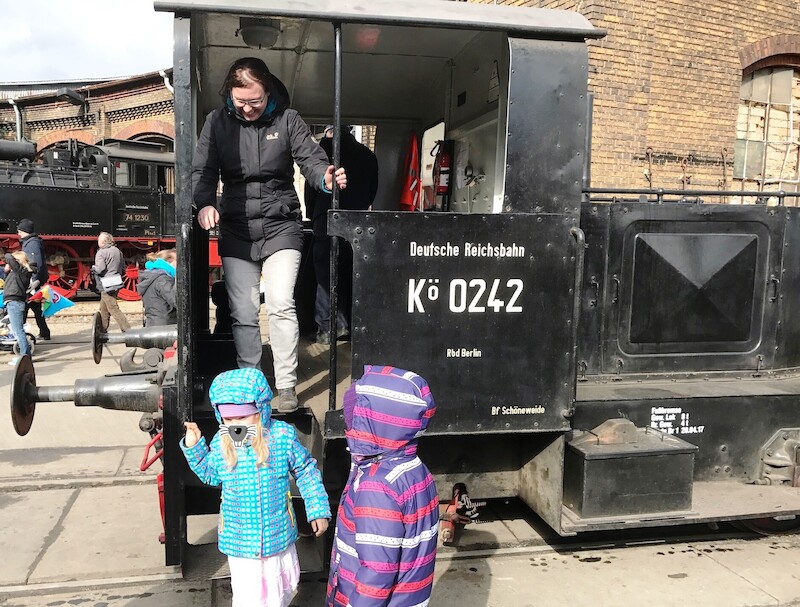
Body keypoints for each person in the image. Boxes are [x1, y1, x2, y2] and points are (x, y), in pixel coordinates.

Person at [192, 56, 347, 413]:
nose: (247, 108)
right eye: (240, 101)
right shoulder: (216, 123)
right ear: (229, 94)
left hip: (281, 226)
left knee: (280, 303)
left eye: (255, 101)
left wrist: (324, 176)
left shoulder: (288, 120)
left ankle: (287, 384)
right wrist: (204, 203)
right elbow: (203, 171)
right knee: (243, 311)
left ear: (268, 92)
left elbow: (310, 159)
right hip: (236, 227)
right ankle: (252, 381)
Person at [181, 367, 331, 607]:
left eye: (242, 418)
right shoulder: (222, 442)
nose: (235, 425)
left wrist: (317, 509)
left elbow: (305, 470)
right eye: (228, 419)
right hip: (240, 541)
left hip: (277, 535)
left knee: (281, 591)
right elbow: (211, 475)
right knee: (249, 597)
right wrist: (195, 447)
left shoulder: (281, 437)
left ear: (261, 410)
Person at [326, 365, 439, 607]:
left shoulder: (377, 486)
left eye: (353, 422)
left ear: (372, 427)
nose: (348, 429)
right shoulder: (415, 468)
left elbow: (377, 573)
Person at [305, 125, 379, 345]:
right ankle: (346, 324)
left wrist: (312, 213)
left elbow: (311, 187)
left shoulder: (321, 153)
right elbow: (372, 191)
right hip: (356, 221)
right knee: (350, 272)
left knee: (325, 275)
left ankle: (326, 328)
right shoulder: (367, 155)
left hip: (325, 217)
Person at [17, 218, 51, 341]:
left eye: (20, 231)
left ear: (25, 231)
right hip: (32, 281)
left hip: (31, 282)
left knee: (25, 307)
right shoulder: (31, 242)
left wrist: (34, 280)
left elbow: (36, 263)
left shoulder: (32, 244)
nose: (18, 234)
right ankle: (44, 332)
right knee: (35, 308)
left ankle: (19, 334)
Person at [92, 232, 131, 332]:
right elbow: (123, 267)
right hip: (116, 281)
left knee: (113, 308)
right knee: (104, 308)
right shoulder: (117, 251)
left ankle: (128, 330)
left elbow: (100, 269)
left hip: (106, 283)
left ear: (103, 241)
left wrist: (94, 268)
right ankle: (103, 330)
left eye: (99, 240)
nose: (98, 241)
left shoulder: (101, 252)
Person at [3, 250, 36, 365]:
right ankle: (25, 356)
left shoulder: (21, 271)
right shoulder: (17, 273)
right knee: (17, 330)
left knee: (18, 331)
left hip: (15, 303)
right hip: (13, 302)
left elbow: (8, 257)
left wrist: (9, 256)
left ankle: (24, 357)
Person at [137, 249, 177, 326]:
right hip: (166, 325)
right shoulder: (163, 279)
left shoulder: (152, 276)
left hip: (153, 322)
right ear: (169, 262)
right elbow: (176, 301)